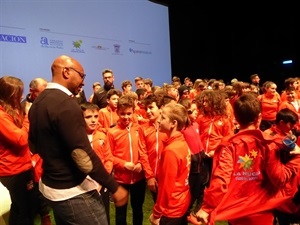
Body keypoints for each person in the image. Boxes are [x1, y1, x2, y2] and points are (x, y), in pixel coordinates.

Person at [28, 54, 128, 225]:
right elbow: (83, 156)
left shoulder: (38, 102)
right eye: (82, 75)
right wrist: (114, 187)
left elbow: (34, 145)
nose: (83, 81)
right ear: (66, 72)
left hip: (50, 186)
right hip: (71, 191)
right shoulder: (66, 104)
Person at [195, 93, 300, 225]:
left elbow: (221, 179)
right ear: (259, 118)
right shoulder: (270, 145)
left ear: (237, 119)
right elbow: (279, 179)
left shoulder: (228, 145)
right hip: (262, 215)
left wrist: (207, 207)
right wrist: (296, 158)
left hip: (236, 214)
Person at [0, 75, 38, 225]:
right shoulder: (1, 115)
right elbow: (20, 139)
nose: (21, 96)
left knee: (29, 209)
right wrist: (28, 118)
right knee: (19, 212)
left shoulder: (12, 108)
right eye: (18, 93)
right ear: (8, 94)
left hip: (24, 167)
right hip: (11, 171)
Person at [106, 95, 146, 225]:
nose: (126, 117)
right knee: (120, 212)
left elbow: (144, 150)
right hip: (120, 179)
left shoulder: (139, 129)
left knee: (138, 209)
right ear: (117, 112)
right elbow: (108, 156)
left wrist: (141, 162)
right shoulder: (112, 132)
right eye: (123, 114)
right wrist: (123, 164)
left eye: (129, 113)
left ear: (134, 112)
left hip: (139, 178)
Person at [149, 103, 191, 225]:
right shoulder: (182, 142)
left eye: (162, 118)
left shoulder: (171, 150)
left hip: (171, 208)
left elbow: (166, 187)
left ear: (173, 123)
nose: (158, 121)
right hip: (181, 203)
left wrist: (157, 214)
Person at [21, 77, 52, 225]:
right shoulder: (22, 108)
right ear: (32, 92)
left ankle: (45, 212)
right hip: (29, 153)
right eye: (42, 92)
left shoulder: (49, 104)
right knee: (33, 186)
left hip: (46, 150)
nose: (46, 95)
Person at [80, 102, 114, 225]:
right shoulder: (77, 137)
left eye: (95, 116)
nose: (93, 120)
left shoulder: (102, 136)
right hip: (82, 185)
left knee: (104, 216)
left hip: (101, 184)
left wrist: (101, 181)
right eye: (88, 117)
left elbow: (109, 159)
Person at [179, 98, 206, 225]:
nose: (196, 113)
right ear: (186, 112)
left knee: (197, 192)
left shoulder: (195, 125)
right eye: (193, 111)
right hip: (191, 169)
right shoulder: (182, 129)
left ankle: (188, 214)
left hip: (201, 165)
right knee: (189, 196)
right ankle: (184, 216)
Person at [138, 94, 168, 202]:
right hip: (153, 178)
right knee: (158, 207)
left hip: (169, 175)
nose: (148, 111)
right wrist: (149, 176)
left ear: (161, 108)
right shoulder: (143, 129)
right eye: (146, 108)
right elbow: (143, 153)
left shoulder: (170, 126)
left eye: (151, 107)